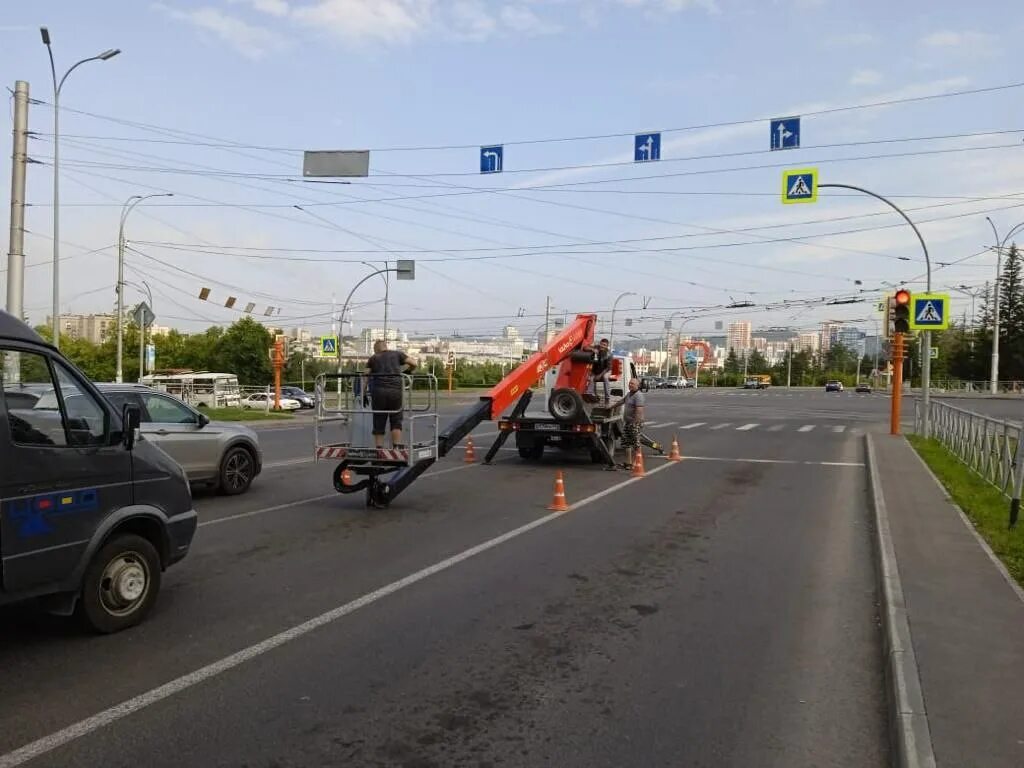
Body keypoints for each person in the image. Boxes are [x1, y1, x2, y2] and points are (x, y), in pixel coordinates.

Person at [363, 340, 417, 448]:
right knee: (396, 420)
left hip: (379, 393)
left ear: (376, 349)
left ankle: (379, 450)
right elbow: (414, 363)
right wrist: (408, 371)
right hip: (395, 391)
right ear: (385, 347)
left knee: (378, 420)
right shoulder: (397, 354)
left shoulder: (373, 358)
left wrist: (363, 392)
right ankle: (396, 448)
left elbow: (366, 376)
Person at [612, 378, 645, 469]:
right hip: (628, 422)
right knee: (626, 443)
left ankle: (638, 462)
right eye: (630, 383)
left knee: (636, 443)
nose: (630, 385)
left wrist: (635, 423)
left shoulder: (639, 396)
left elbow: (639, 411)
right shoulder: (629, 394)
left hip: (635, 423)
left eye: (633, 384)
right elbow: (621, 401)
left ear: (637, 386)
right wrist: (611, 407)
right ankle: (628, 463)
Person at [588, 338, 612, 402]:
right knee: (591, 378)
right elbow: (585, 348)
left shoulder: (609, 354)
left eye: (604, 345)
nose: (602, 346)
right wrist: (592, 349)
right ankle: (590, 394)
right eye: (601, 344)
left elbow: (608, 368)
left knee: (605, 377)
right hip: (596, 370)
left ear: (607, 346)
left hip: (606, 370)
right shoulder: (596, 347)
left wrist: (600, 375)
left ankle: (607, 397)